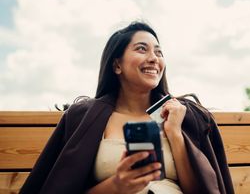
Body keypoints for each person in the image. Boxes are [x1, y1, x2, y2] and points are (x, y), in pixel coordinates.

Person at [20, 21, 234, 194]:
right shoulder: (83, 118)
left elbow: (202, 191)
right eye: (142, 49)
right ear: (116, 65)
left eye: (159, 53)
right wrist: (117, 185)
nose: (153, 58)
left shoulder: (185, 116)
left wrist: (175, 134)